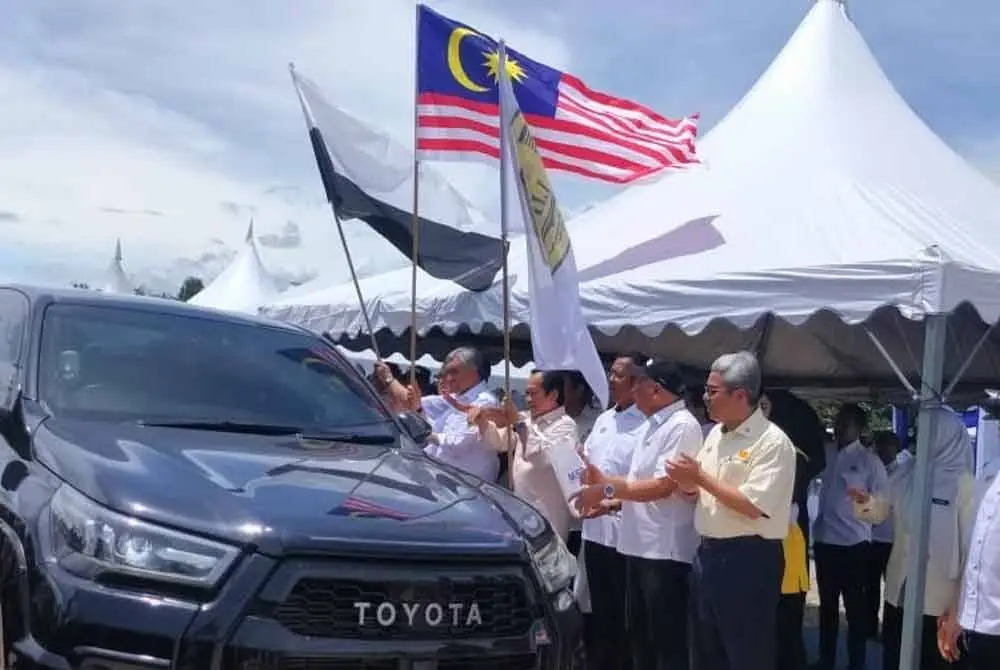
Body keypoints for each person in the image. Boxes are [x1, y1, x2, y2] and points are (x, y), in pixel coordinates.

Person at [664, 351, 796, 670]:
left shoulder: (772, 443)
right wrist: (687, 484)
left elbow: (752, 505)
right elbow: (705, 492)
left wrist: (700, 478)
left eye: (712, 391)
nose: (705, 398)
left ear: (740, 395)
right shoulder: (715, 435)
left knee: (746, 653)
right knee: (706, 653)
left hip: (748, 559)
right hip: (708, 555)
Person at [573, 359, 702, 670]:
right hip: (638, 547)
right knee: (640, 641)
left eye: (638, 384)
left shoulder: (682, 426)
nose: (633, 390)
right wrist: (610, 503)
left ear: (655, 388)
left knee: (665, 644)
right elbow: (637, 484)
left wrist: (606, 491)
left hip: (664, 552)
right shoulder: (652, 424)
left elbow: (661, 486)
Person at [851, 408, 975, 670]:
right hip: (901, 591)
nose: (921, 439)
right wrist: (866, 503)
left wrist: (957, 608)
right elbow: (881, 509)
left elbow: (970, 552)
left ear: (946, 437)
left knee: (931, 662)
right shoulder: (909, 474)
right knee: (895, 658)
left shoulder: (964, 485)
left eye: (930, 432)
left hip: (939, 602)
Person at [575, 354, 647, 670]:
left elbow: (642, 483)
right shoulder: (604, 420)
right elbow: (586, 463)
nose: (611, 379)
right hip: (594, 533)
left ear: (636, 383)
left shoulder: (647, 425)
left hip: (626, 537)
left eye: (618, 375)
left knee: (625, 620)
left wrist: (610, 499)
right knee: (599, 613)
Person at [812, 404, 888, 670]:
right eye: (838, 423)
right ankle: (826, 658)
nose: (840, 429)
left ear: (859, 428)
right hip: (825, 543)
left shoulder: (870, 461)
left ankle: (856, 663)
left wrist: (863, 500)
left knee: (855, 611)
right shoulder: (827, 453)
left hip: (854, 545)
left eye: (846, 424)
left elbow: (881, 509)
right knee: (827, 607)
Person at [473, 369, 580, 541]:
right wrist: (483, 423)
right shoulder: (526, 420)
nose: (528, 400)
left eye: (533, 394)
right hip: (521, 510)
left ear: (553, 395)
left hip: (548, 514)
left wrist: (517, 422)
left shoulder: (566, 426)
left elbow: (542, 456)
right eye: (527, 393)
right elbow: (499, 443)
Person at [377, 347, 500, 482]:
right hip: (447, 481)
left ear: (474, 373)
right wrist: (390, 380)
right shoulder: (456, 398)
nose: (448, 378)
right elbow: (414, 403)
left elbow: (458, 444)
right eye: (447, 372)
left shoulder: (485, 402)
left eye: (454, 372)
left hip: (469, 485)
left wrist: (427, 434)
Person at [761, 392, 810, 670]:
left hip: (785, 545)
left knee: (787, 625)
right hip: (760, 544)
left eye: (766, 407)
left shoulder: (793, 455)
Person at [867, 430, 902, 639]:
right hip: (872, 538)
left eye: (887, 446)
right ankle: (870, 628)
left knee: (893, 590)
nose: (882, 451)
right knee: (870, 588)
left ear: (896, 449)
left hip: (893, 540)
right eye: (879, 446)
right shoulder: (871, 469)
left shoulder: (903, 474)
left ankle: (891, 631)